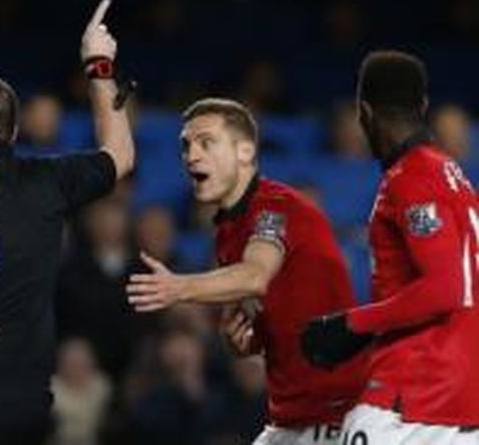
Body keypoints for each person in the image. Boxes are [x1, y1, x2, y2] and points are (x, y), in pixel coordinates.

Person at [0, 0, 134, 445]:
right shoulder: (49, 182)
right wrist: (98, 64)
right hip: (28, 411)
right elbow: (120, 154)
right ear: (12, 131)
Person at [126, 98, 366, 444]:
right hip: (293, 416)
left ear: (244, 151)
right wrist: (244, 342)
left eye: (206, 142)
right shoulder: (227, 232)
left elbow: (255, 275)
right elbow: (271, 321)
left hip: (340, 413)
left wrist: (179, 287)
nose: (191, 155)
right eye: (186, 145)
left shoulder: (276, 207)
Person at [302, 51, 479, 444]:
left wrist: (352, 325)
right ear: (424, 106)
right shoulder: (455, 177)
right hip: (461, 403)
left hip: (411, 401)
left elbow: (446, 287)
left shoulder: (413, 177)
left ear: (363, 111)